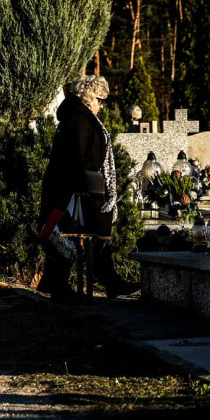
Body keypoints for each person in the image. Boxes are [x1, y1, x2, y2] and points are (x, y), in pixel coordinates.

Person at [38, 75, 139, 299]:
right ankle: (61, 285)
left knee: (91, 234)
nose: (102, 105)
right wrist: (83, 186)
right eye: (100, 100)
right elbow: (77, 155)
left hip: (82, 187)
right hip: (78, 189)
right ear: (88, 98)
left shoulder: (78, 116)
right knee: (72, 233)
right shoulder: (79, 118)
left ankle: (106, 281)